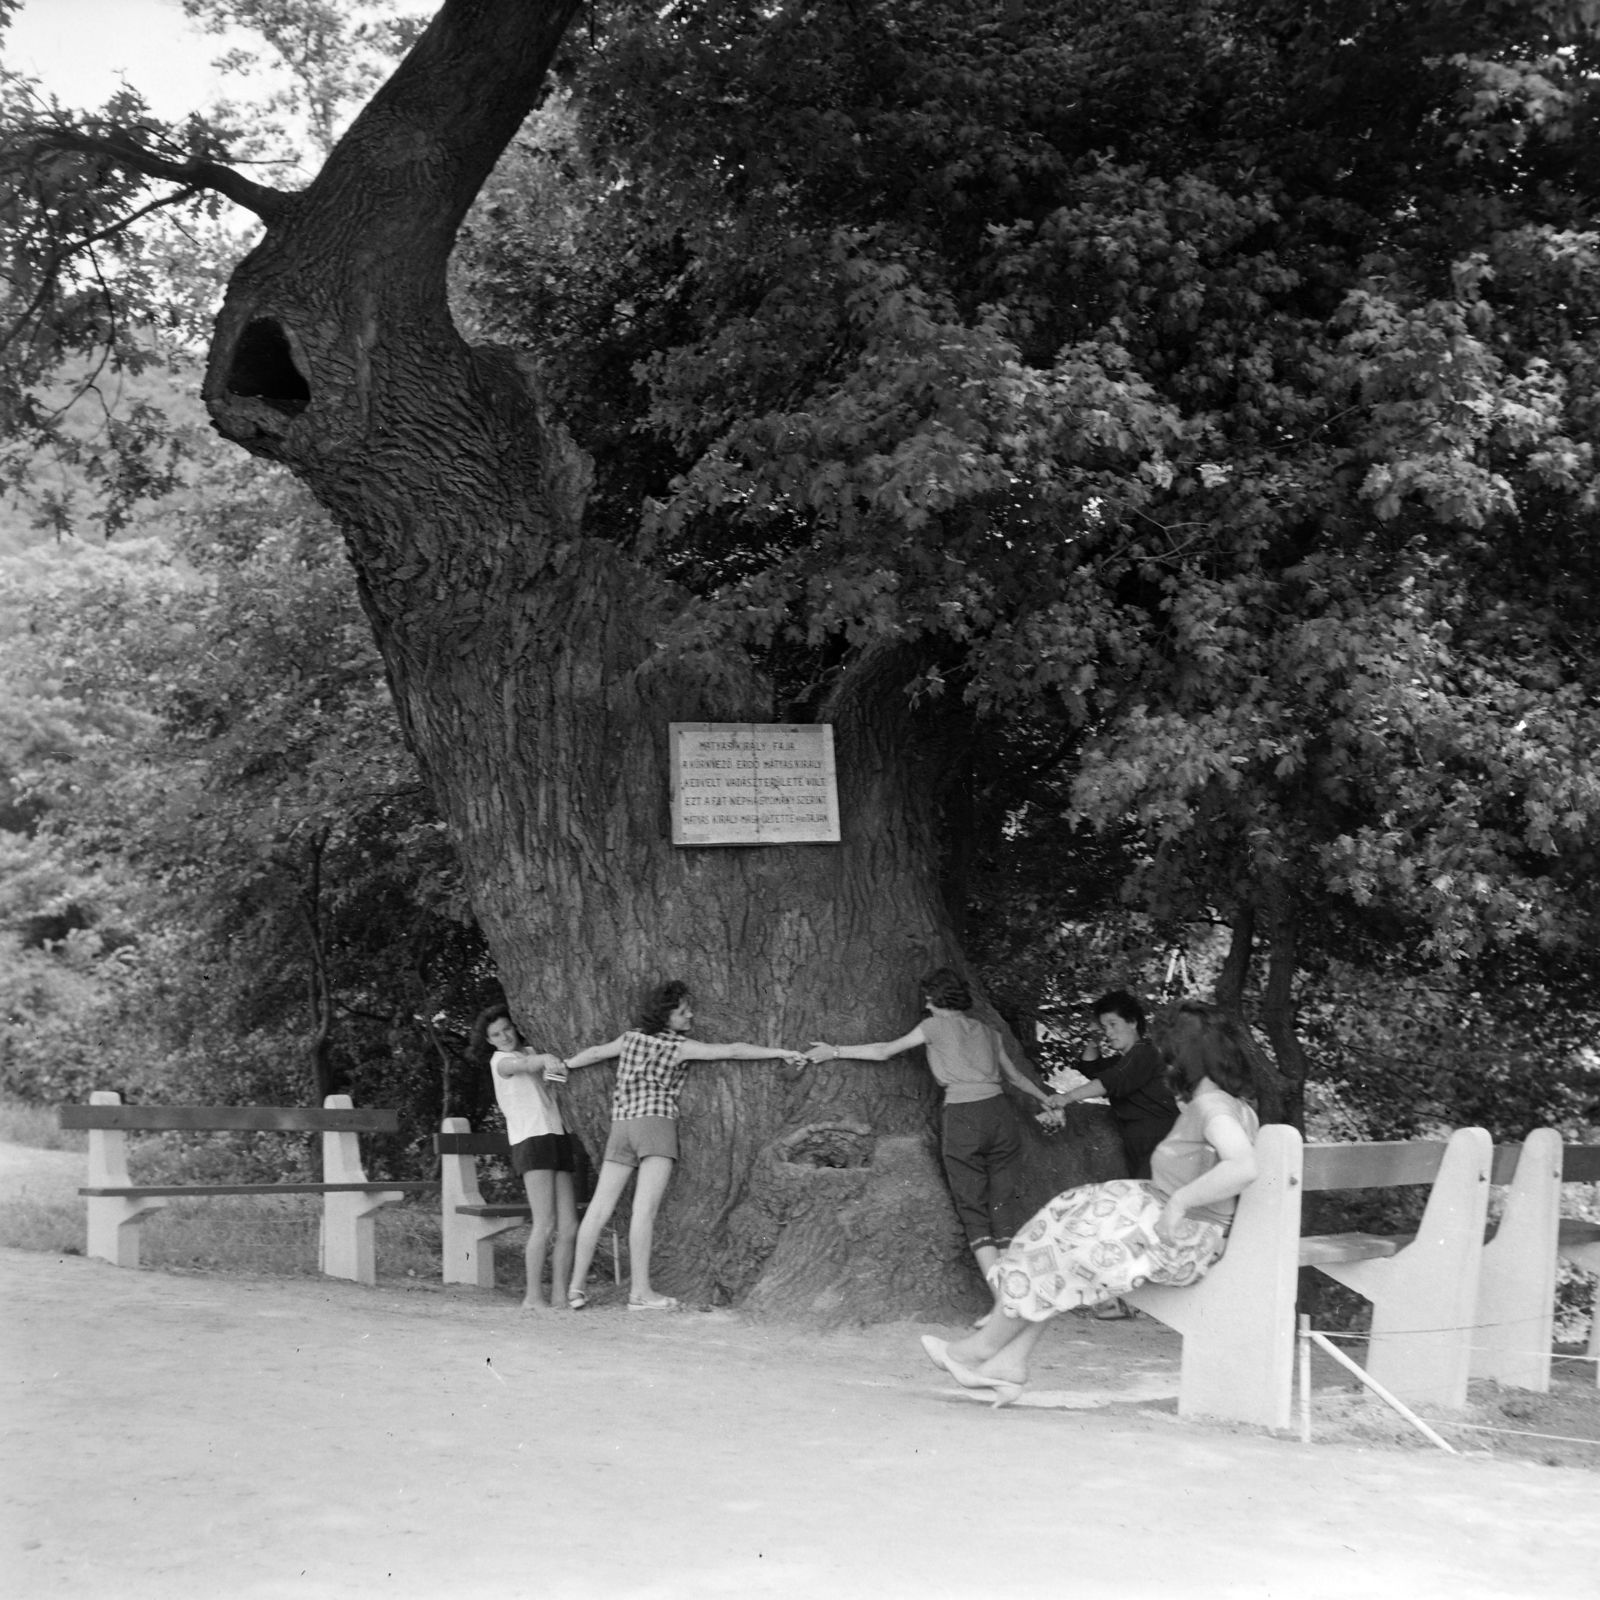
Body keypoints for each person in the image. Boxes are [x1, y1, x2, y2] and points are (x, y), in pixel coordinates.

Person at [921, 998, 1260, 1406]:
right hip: (1182, 1236)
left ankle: (976, 1350)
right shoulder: (1230, 1105)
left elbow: (1242, 1165)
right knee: (1062, 1234)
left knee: (1061, 1249)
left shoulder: (1212, 1108)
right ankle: (1007, 1360)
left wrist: (1179, 1203)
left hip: (1181, 1242)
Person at [805, 967, 1060, 1323]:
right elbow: (1015, 1077)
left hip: (963, 1117)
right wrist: (1045, 1098)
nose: (925, 1004)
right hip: (1000, 1115)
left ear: (937, 1000)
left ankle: (1005, 1307)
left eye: (928, 998)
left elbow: (883, 1051)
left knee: (973, 1210)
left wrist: (833, 1051)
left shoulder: (932, 1027)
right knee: (1001, 1205)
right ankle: (1017, 1295)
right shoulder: (989, 1032)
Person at [560, 980, 806, 1312]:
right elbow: (733, 1050)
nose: (690, 1016)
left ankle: (575, 1289)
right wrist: (779, 1052)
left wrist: (565, 1065)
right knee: (643, 1212)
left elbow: (595, 1053)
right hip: (655, 1126)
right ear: (665, 1016)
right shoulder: (677, 1047)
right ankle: (641, 1292)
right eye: (682, 1012)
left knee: (599, 1209)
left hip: (621, 1127)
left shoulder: (630, 1039)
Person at [475, 1004, 579, 1313]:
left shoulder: (530, 1052)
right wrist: (541, 1059)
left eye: (507, 1029)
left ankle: (560, 1297)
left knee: (569, 1226)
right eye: (496, 1034)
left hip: (556, 1135)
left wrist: (554, 1066)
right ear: (490, 1041)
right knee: (544, 1223)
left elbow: (553, 1080)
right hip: (531, 1141)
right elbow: (520, 1066)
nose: (504, 1036)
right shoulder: (500, 1062)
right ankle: (533, 1296)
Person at [1048, 990, 1178, 1180]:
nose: (1108, 1032)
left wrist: (1066, 1098)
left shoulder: (1144, 1052)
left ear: (1132, 1022)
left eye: (1113, 1024)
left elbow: (1111, 1080)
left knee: (1154, 1197)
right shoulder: (1122, 1060)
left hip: (1160, 1137)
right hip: (1138, 1139)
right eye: (1104, 1027)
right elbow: (1090, 1067)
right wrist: (1094, 1037)